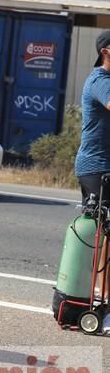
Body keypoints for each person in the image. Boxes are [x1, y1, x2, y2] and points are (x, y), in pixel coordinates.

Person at [75, 30, 110, 334]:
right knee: (106, 238)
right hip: (96, 169)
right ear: (107, 51)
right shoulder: (100, 81)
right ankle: (104, 306)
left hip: (105, 168)